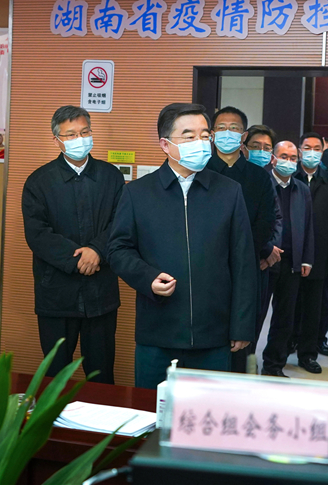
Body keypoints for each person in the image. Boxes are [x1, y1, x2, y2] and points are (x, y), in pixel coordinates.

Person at [108, 103, 257, 389]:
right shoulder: (138, 193)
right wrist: (148, 277)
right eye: (189, 136)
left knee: (208, 413)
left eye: (205, 135)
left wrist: (242, 325)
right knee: (154, 411)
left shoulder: (229, 192)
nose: (200, 143)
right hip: (158, 333)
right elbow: (118, 249)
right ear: (165, 144)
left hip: (214, 334)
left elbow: (243, 261)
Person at [22, 105, 124, 382]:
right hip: (56, 293)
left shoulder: (111, 176)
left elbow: (121, 223)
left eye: (84, 132)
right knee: (55, 375)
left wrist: (97, 251)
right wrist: (78, 258)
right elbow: (37, 234)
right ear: (57, 140)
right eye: (70, 134)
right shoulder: (39, 181)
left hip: (101, 293)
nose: (79, 139)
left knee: (101, 374)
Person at [206, 107, 279, 373]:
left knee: (241, 343)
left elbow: (265, 222)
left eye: (234, 128)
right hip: (205, 268)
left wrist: (244, 253)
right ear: (212, 134)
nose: (228, 133)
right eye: (221, 128)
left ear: (243, 135)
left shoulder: (259, 177)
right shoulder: (200, 171)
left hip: (246, 267)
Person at [291, 133, 328, 374]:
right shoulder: (290, 176)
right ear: (299, 150)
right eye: (307, 147)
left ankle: (308, 353)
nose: (311, 152)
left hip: (320, 251)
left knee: (315, 306)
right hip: (291, 251)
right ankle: (283, 349)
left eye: (316, 148)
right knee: (288, 304)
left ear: (323, 151)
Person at [261, 141, 314, 377]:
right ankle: (245, 363)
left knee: (284, 318)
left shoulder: (302, 189)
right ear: (273, 158)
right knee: (257, 315)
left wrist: (307, 259)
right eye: (284, 156)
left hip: (292, 262)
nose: (289, 162)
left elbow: (309, 225)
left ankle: (274, 366)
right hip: (265, 260)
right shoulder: (262, 184)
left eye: (293, 158)